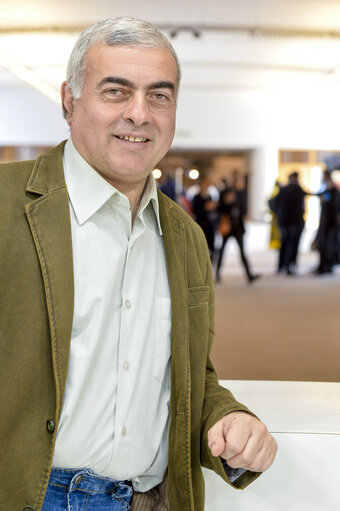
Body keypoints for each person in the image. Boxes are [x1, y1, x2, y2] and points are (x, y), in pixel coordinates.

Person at [0, 17, 277, 511]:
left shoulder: (185, 236)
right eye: (115, 91)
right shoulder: (6, 205)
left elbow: (191, 374)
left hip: (147, 501)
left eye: (159, 95)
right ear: (69, 99)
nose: (139, 113)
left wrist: (227, 417)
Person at [215, 170, 260, 283]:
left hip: (238, 227)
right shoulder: (224, 192)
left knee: (242, 252)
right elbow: (219, 209)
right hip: (228, 226)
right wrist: (227, 202)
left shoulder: (241, 193)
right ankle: (217, 274)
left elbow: (243, 209)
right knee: (222, 251)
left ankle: (249, 275)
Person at [270, 171, 308, 275]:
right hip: (293, 222)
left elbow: (272, 203)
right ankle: (289, 265)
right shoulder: (297, 189)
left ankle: (282, 265)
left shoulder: (284, 190)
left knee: (285, 243)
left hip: (286, 221)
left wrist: (278, 213)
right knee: (292, 244)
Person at [313, 170, 340, 274]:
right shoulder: (326, 189)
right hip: (325, 221)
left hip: (331, 222)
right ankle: (323, 265)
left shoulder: (333, 190)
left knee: (329, 244)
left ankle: (328, 265)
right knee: (323, 243)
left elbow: (336, 206)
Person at [192, 175, 218, 260]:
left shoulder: (210, 196)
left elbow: (213, 212)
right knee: (200, 248)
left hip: (210, 226)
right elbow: (195, 212)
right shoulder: (197, 197)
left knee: (212, 248)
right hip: (201, 225)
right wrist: (205, 208)